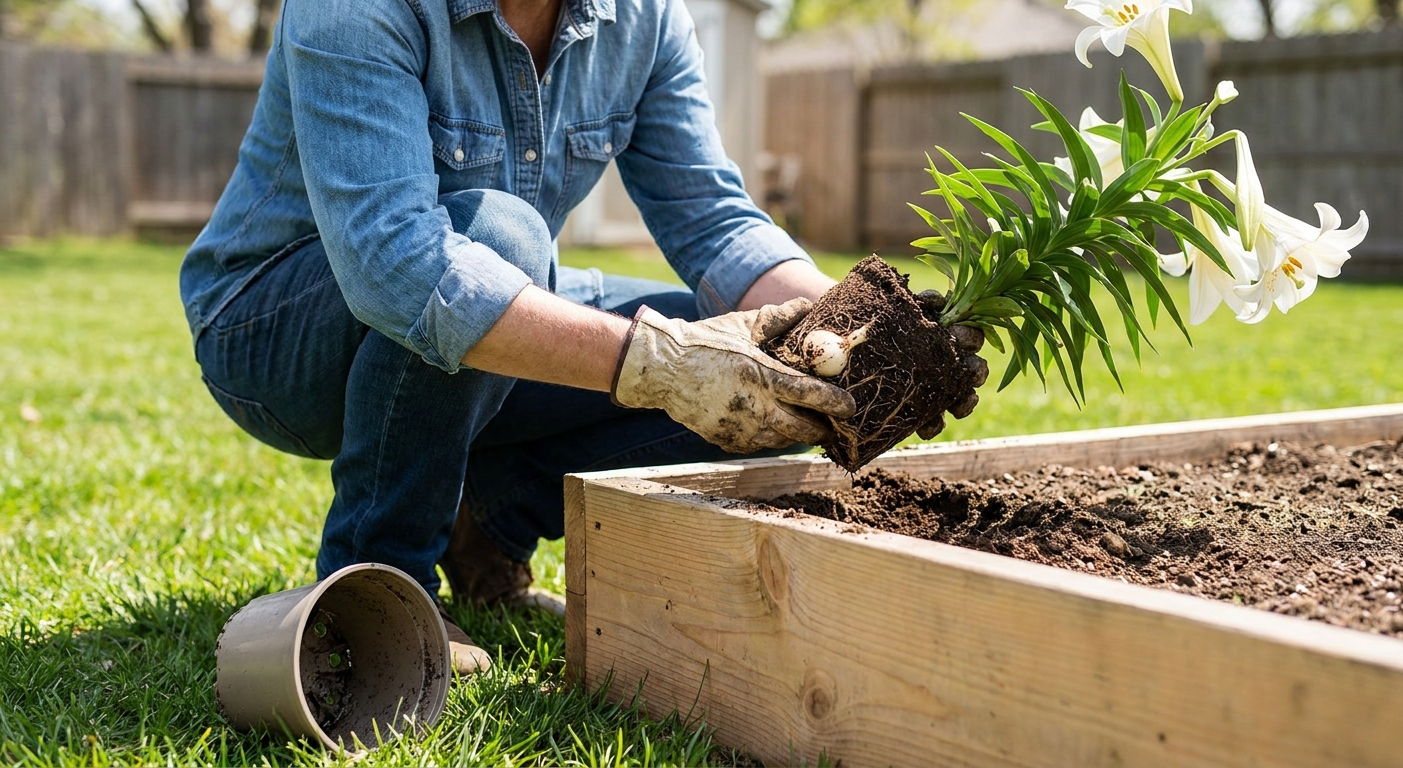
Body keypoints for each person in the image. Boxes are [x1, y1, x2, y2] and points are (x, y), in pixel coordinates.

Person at [179, 0, 979, 675]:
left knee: (758, 359)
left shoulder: (644, 18)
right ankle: (378, 582)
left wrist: (855, 333)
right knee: (503, 236)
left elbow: (713, 218)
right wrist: (659, 366)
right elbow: (395, 263)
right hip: (274, 334)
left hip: (486, 317)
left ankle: (488, 525)